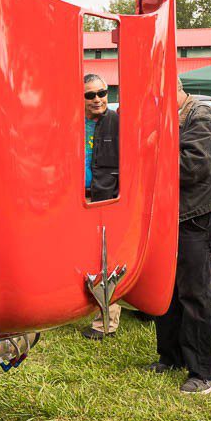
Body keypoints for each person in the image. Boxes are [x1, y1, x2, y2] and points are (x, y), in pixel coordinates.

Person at [145, 78, 211, 394]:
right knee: (167, 291)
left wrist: (152, 154)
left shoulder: (203, 115)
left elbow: (195, 165)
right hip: (173, 217)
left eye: (157, 98)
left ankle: (205, 373)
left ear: (175, 92)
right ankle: (171, 357)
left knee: (195, 295)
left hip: (197, 217)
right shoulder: (175, 117)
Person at [81, 74, 122, 340]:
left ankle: (105, 322)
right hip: (75, 199)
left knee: (106, 258)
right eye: (90, 95)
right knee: (80, 257)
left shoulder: (117, 122)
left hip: (105, 199)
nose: (97, 99)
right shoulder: (72, 123)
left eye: (102, 93)